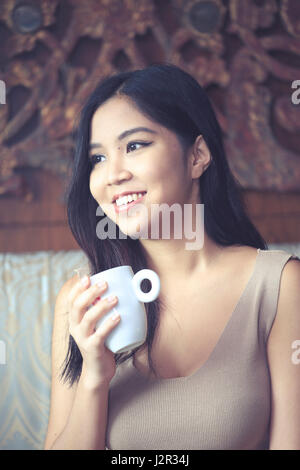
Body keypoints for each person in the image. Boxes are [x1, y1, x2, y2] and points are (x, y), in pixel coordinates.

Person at [44, 63, 300, 450]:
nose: (112, 174)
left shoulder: (279, 286)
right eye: (97, 158)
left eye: (134, 146)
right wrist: (94, 377)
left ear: (197, 156)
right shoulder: (82, 303)